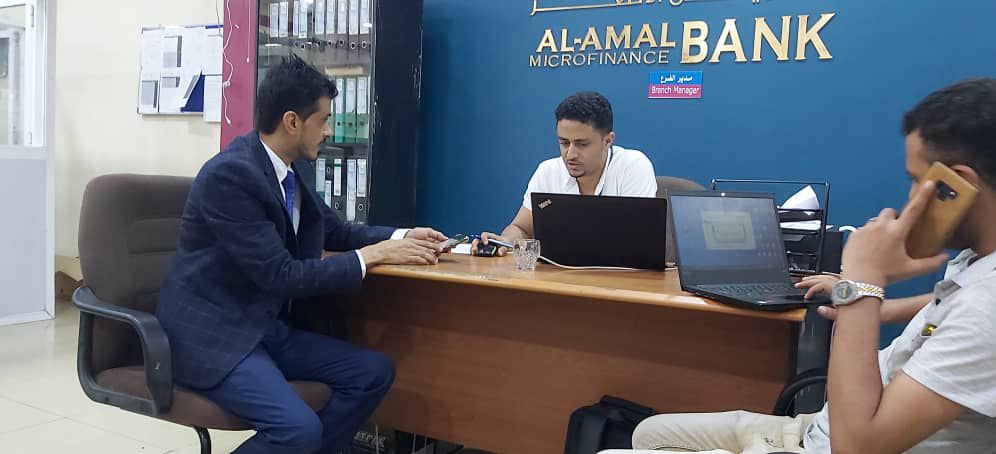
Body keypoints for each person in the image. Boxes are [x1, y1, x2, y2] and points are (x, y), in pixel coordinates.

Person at [607, 78, 996, 454]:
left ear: (958, 186)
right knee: (647, 433)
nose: (910, 197)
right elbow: (953, 312)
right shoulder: (982, 266)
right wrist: (877, 305)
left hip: (836, 440)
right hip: (816, 427)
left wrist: (863, 283)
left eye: (916, 180)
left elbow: (856, 446)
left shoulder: (994, 304)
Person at [155, 54, 448, 454]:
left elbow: (335, 230)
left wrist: (402, 235)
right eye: (323, 120)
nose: (328, 131)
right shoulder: (231, 175)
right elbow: (282, 276)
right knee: (297, 430)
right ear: (292, 122)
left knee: (372, 373)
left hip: (265, 327)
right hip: (217, 336)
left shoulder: (294, 168)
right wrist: (372, 256)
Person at [474, 91, 657, 253]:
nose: (570, 154)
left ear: (608, 141)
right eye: (564, 143)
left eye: (582, 144)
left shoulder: (633, 167)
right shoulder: (548, 171)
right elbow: (521, 229)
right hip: (558, 277)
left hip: (618, 278)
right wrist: (505, 241)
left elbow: (637, 241)